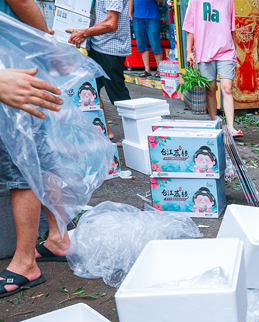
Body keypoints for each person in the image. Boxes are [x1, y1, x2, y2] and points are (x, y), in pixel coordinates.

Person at [0, 6, 68, 297]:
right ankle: (58, 237)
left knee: (20, 163)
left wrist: (45, 42)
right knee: (38, 157)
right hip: (18, 64)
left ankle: (25, 262)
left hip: (11, 73)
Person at [68, 0, 133, 133]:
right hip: (97, 46)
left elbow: (111, 23)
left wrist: (83, 33)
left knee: (119, 97)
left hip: (110, 49)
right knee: (91, 91)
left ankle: (138, 133)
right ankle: (106, 133)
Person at [183, 0, 243, 136]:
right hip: (204, 51)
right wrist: (189, 51)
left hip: (226, 50)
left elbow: (232, 27)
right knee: (210, 89)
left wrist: (235, 52)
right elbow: (190, 28)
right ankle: (214, 124)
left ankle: (231, 127)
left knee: (227, 88)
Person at [128, 0, 164, 77]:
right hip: (137, 18)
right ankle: (147, 70)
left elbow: (161, 1)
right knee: (141, 44)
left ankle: (160, 69)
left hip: (152, 17)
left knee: (155, 44)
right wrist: (129, 13)